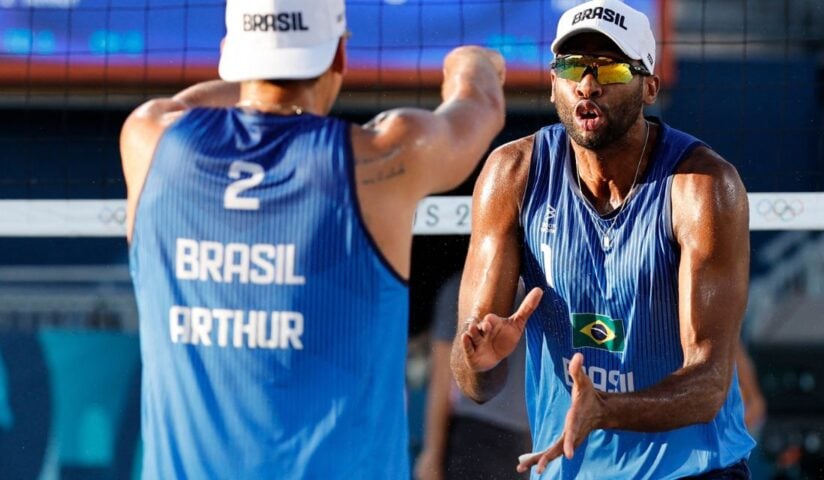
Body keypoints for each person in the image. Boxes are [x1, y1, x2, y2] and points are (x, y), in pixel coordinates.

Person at [119, 0, 506, 477]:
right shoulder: (383, 157)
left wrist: (259, 71)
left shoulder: (147, 140)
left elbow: (187, 106)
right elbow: (480, 107)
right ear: (340, 56)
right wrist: (473, 64)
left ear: (229, 52)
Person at [450, 0, 756, 478]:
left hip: (693, 469)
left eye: (610, 68)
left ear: (649, 86)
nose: (587, 85)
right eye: (572, 66)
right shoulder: (512, 174)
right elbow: (474, 381)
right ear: (554, 84)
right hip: (570, 466)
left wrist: (605, 409)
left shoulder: (702, 186)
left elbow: (710, 383)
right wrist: (479, 361)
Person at [415, 272, 531, 480]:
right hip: (476, 434)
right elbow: (441, 377)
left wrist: (431, 453)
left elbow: (440, 378)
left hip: (518, 439)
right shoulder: (459, 289)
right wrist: (432, 453)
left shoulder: (539, 291)